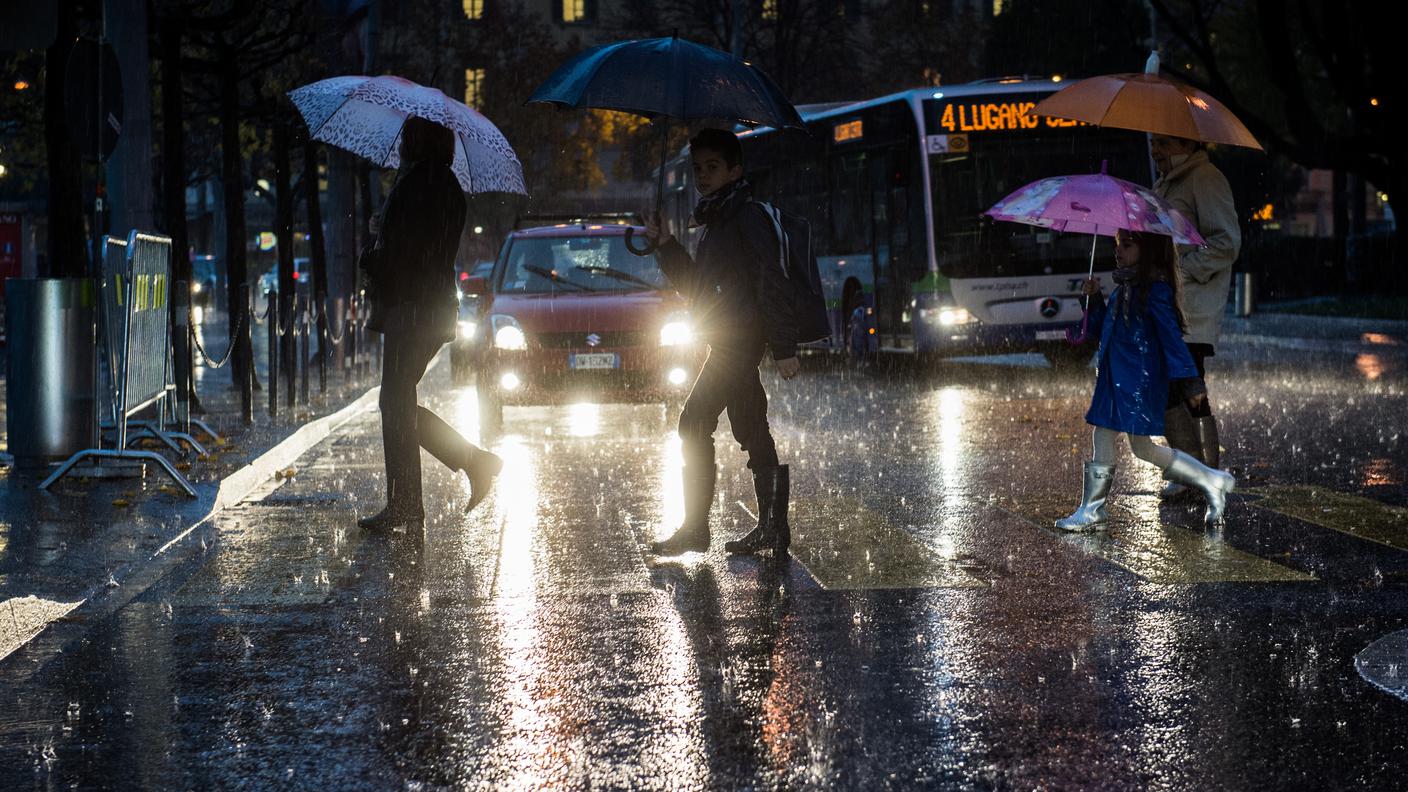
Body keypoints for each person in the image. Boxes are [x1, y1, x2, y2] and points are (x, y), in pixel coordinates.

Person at [643, 128, 801, 556]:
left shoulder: (745, 218)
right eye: (697, 168)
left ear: (736, 169)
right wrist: (667, 245)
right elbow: (697, 286)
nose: (702, 175)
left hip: (739, 340)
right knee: (751, 427)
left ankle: (697, 528)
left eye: (712, 167)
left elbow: (772, 280)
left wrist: (784, 346)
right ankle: (772, 529)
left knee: (693, 424)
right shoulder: (717, 220)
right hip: (726, 338)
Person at [358, 116, 502, 533]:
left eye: (406, 135)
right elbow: (422, 246)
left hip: (413, 308)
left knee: (395, 402)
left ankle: (408, 503)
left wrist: (373, 251)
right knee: (398, 402)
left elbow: (406, 256)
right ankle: (468, 466)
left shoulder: (419, 184)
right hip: (430, 307)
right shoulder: (444, 185)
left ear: (417, 141)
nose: (400, 142)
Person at [1056, 229, 1236, 530]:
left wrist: (1191, 381)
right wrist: (1094, 301)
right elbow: (1106, 329)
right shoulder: (1125, 286)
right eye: (1117, 245)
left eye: (1127, 245)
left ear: (1148, 250)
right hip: (1117, 379)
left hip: (1137, 383)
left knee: (1105, 435)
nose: (1118, 251)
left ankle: (1092, 509)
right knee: (1143, 448)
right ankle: (1211, 480)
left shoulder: (1154, 290)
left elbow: (1171, 339)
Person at [1149, 134, 1241, 495]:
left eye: (1162, 143)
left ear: (1184, 143)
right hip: (1168, 306)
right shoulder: (1165, 183)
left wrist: (1181, 269)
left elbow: (1226, 243)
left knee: (1186, 387)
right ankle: (1191, 470)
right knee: (1170, 388)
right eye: (1153, 143)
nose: (1155, 151)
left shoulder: (1205, 178)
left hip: (1193, 309)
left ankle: (1199, 473)